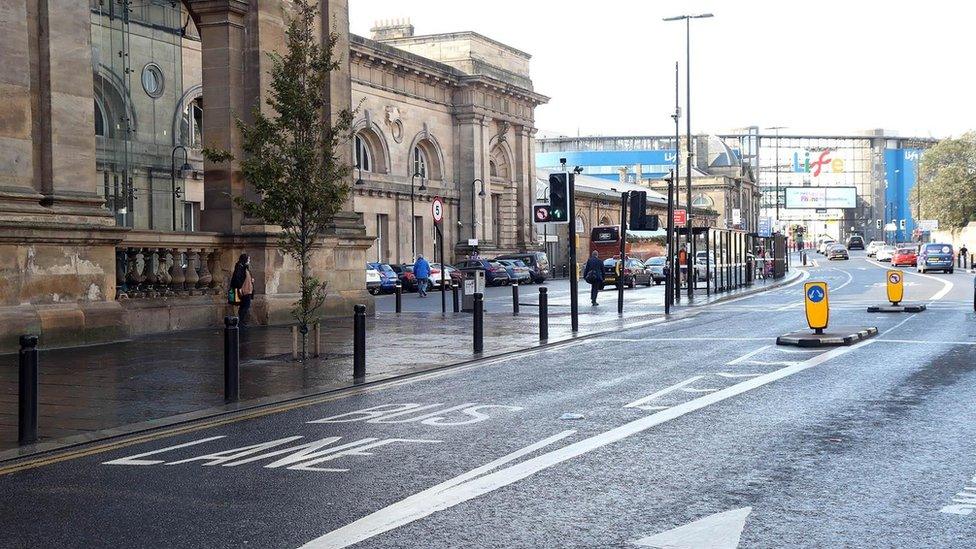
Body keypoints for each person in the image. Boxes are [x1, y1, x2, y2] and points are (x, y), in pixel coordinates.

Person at [230, 253, 254, 327]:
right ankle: (240, 321)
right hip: (244, 290)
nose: (249, 260)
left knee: (244, 306)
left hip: (248, 289)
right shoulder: (240, 267)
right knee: (245, 306)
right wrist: (239, 288)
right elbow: (237, 278)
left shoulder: (244, 267)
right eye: (248, 259)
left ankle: (241, 321)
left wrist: (251, 279)